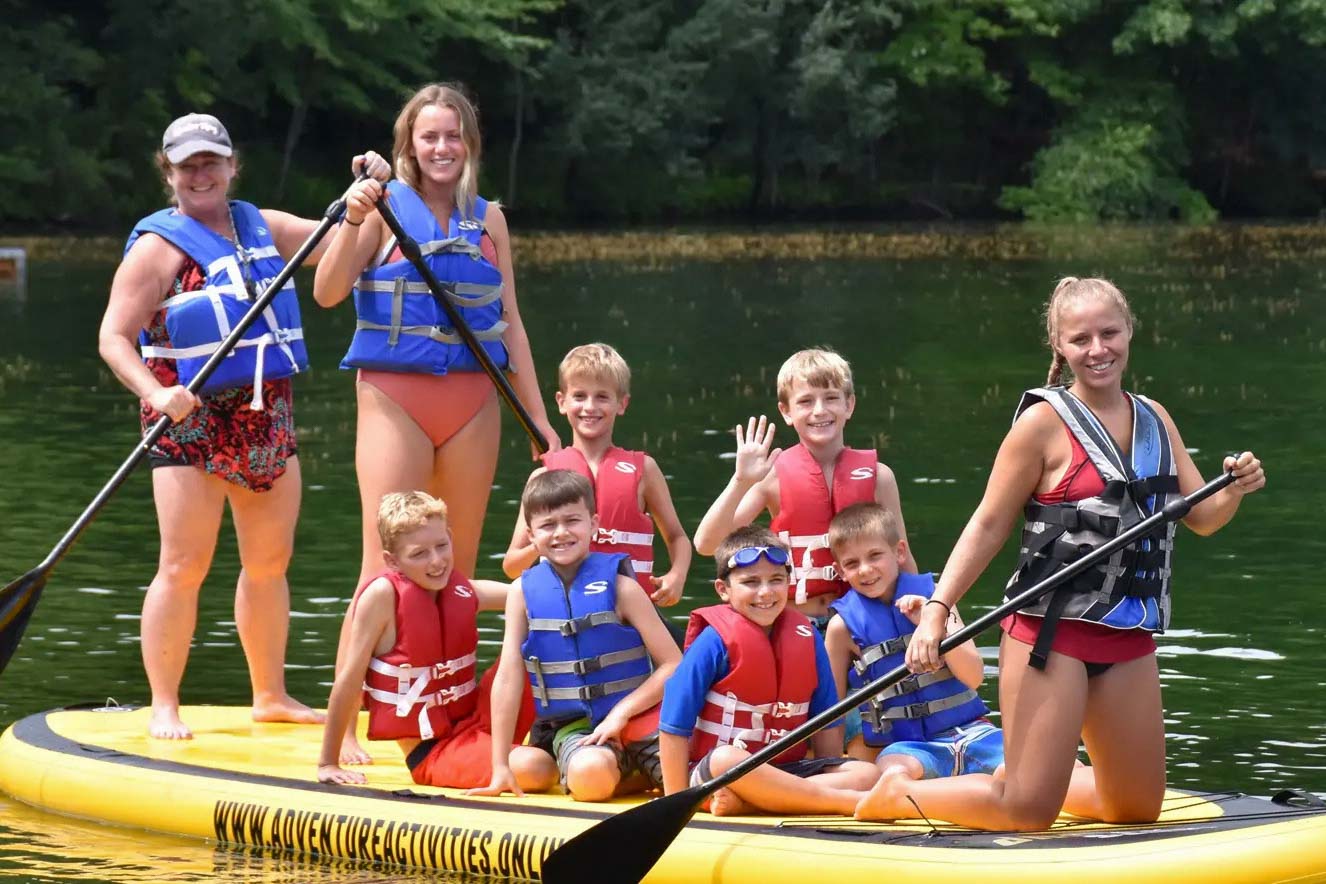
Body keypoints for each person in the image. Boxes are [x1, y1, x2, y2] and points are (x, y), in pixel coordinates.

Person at [856, 276, 1266, 829]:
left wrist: (1233, 490)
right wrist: (935, 608)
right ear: (1060, 348)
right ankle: (898, 796)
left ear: (1129, 333)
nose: (1098, 350)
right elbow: (988, 523)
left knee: (1136, 809)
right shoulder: (1041, 425)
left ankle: (1027, 775)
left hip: (1126, 636)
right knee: (1028, 811)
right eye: (1080, 339)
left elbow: (1203, 519)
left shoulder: (1155, 419)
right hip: (1050, 637)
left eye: (1109, 333)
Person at [98, 112, 389, 739]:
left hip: (264, 416)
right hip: (188, 419)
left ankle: (270, 694)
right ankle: (165, 703)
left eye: (211, 162)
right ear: (169, 172)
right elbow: (113, 338)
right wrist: (157, 391)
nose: (201, 174)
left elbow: (345, 245)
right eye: (187, 165)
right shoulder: (155, 247)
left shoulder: (265, 225)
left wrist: (366, 200)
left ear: (232, 166)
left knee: (268, 562)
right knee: (183, 565)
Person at [313, 83, 560, 764]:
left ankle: (445, 718)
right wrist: (352, 218)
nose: (442, 148)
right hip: (396, 398)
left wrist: (541, 421)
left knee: (451, 575)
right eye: (429, 137)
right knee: (383, 569)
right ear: (409, 146)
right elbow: (328, 291)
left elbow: (510, 325)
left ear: (469, 145)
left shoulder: (490, 221)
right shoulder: (381, 207)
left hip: (475, 403)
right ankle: (353, 725)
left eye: (453, 136)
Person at [470, 470, 681, 802]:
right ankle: (620, 775)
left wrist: (620, 714)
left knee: (684, 780)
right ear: (530, 534)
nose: (561, 533)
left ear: (594, 523)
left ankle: (627, 768)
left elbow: (673, 664)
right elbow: (509, 676)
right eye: (548, 525)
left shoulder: (623, 588)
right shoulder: (522, 593)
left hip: (637, 718)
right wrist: (499, 765)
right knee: (558, 773)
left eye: (572, 521)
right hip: (576, 728)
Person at [317, 491, 535, 789]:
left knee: (542, 632)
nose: (436, 561)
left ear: (449, 536)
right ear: (392, 561)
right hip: (433, 751)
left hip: (478, 722)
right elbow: (348, 681)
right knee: (537, 767)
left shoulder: (459, 590)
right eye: (419, 554)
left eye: (442, 546)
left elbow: (529, 594)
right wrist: (328, 762)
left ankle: (557, 735)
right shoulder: (382, 597)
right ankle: (525, 757)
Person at [658, 526, 879, 816]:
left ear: (789, 581)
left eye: (776, 580)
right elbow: (674, 725)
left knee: (866, 774)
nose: (765, 592)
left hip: (785, 771)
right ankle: (842, 802)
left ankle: (754, 802)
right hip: (720, 772)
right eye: (750, 582)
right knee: (726, 758)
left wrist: (828, 770)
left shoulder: (807, 637)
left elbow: (826, 722)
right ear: (723, 589)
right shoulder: (712, 642)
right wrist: (674, 803)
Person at [694, 348, 918, 620]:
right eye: (806, 402)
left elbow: (903, 558)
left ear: (849, 405)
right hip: (798, 620)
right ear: (786, 412)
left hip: (862, 620)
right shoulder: (771, 476)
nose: (819, 410)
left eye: (831, 398)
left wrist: (919, 616)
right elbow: (706, 544)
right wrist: (741, 481)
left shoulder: (880, 477)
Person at [501, 343, 692, 608]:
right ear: (561, 402)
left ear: (621, 404)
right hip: (563, 614)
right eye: (579, 396)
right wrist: (549, 541)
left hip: (629, 615)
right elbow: (511, 565)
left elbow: (677, 536)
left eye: (602, 397)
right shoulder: (543, 477)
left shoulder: (644, 469)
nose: (590, 407)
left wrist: (677, 575)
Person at [824, 503, 1004, 781]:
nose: (865, 570)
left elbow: (974, 675)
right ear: (840, 571)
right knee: (894, 776)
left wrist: (934, 625)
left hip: (973, 732)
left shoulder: (937, 599)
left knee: (1037, 769)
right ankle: (971, 792)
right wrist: (833, 765)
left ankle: (972, 791)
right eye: (852, 563)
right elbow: (831, 708)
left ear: (899, 552)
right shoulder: (840, 628)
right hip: (907, 750)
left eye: (875, 556)